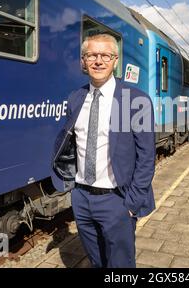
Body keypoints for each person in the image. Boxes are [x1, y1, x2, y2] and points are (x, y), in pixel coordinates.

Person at [52, 33, 155, 268]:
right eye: (91, 55)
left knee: (120, 265)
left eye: (105, 55)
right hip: (81, 197)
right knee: (97, 262)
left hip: (116, 201)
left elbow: (147, 157)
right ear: (83, 61)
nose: (98, 61)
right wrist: (73, 190)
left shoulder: (134, 100)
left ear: (115, 60)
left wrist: (132, 203)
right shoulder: (75, 98)